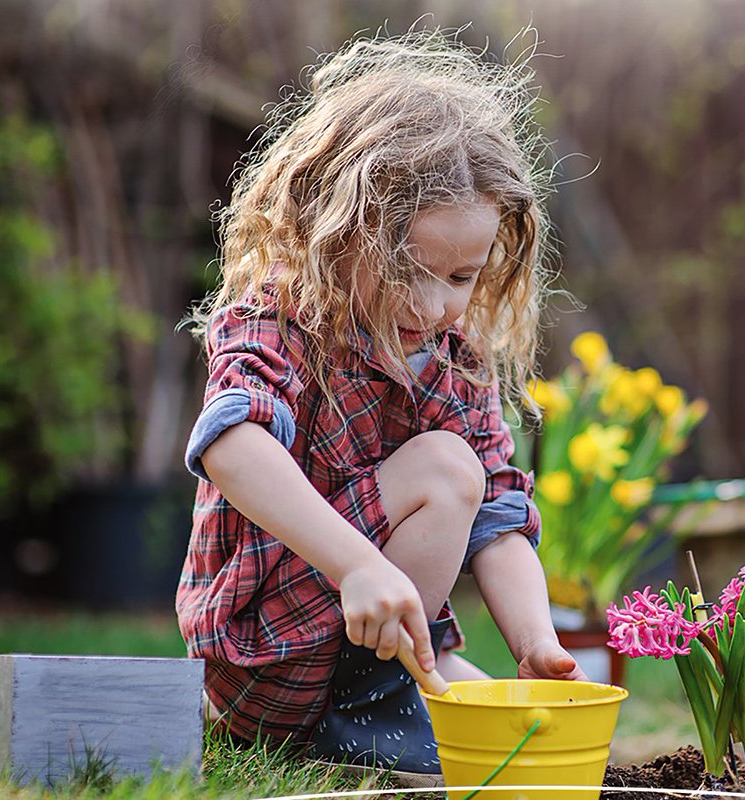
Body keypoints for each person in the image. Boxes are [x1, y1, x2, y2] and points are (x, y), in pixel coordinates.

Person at [176, 29, 583, 778]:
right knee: (443, 470)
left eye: (461, 277)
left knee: (517, 738)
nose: (434, 304)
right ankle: (362, 710)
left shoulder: (457, 361)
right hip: (265, 650)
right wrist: (359, 564)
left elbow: (497, 513)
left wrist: (535, 641)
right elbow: (231, 443)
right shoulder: (279, 320)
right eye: (408, 268)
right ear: (335, 233)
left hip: (373, 642)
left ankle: (381, 698)